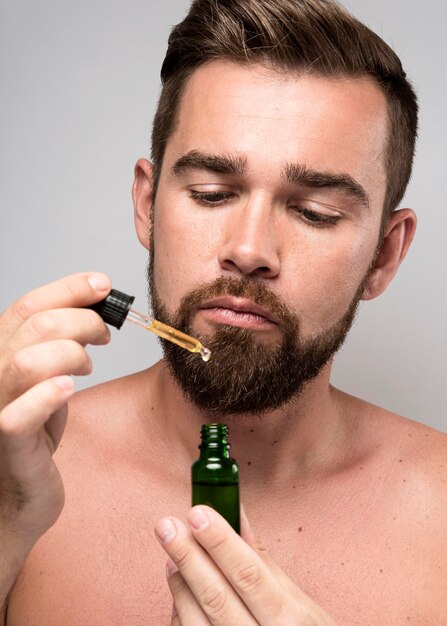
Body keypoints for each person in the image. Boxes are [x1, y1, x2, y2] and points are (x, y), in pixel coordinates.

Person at [1, 0, 446, 623]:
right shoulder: (17, 476)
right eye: (211, 195)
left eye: (314, 211)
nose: (248, 250)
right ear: (148, 205)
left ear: (384, 255)